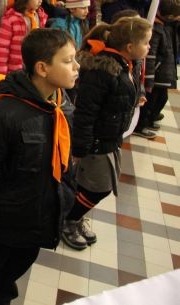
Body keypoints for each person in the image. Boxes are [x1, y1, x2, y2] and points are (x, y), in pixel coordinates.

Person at [0, 28, 79, 305]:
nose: (77, 67)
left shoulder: (61, 104)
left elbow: (63, 159)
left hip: (37, 216)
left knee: (14, 272)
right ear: (42, 68)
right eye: (68, 61)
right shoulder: (4, 113)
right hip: (6, 221)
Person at [62, 16, 151, 250]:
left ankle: (75, 217)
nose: (149, 47)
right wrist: (81, 147)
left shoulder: (124, 64)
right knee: (97, 188)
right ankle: (67, 219)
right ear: (130, 47)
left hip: (110, 137)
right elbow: (85, 113)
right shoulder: (102, 70)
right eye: (146, 43)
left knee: (90, 185)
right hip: (96, 142)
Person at [134, 0, 179, 138]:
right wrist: (149, 79)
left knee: (161, 99)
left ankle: (150, 118)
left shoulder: (166, 26)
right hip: (156, 74)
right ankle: (141, 125)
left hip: (163, 72)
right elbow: (150, 56)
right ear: (171, 15)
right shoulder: (156, 29)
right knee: (151, 102)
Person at [0, 0, 48, 74]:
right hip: (15, 70)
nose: (40, 1)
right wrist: (0, 75)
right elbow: (2, 47)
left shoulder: (39, 16)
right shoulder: (11, 19)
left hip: (33, 67)